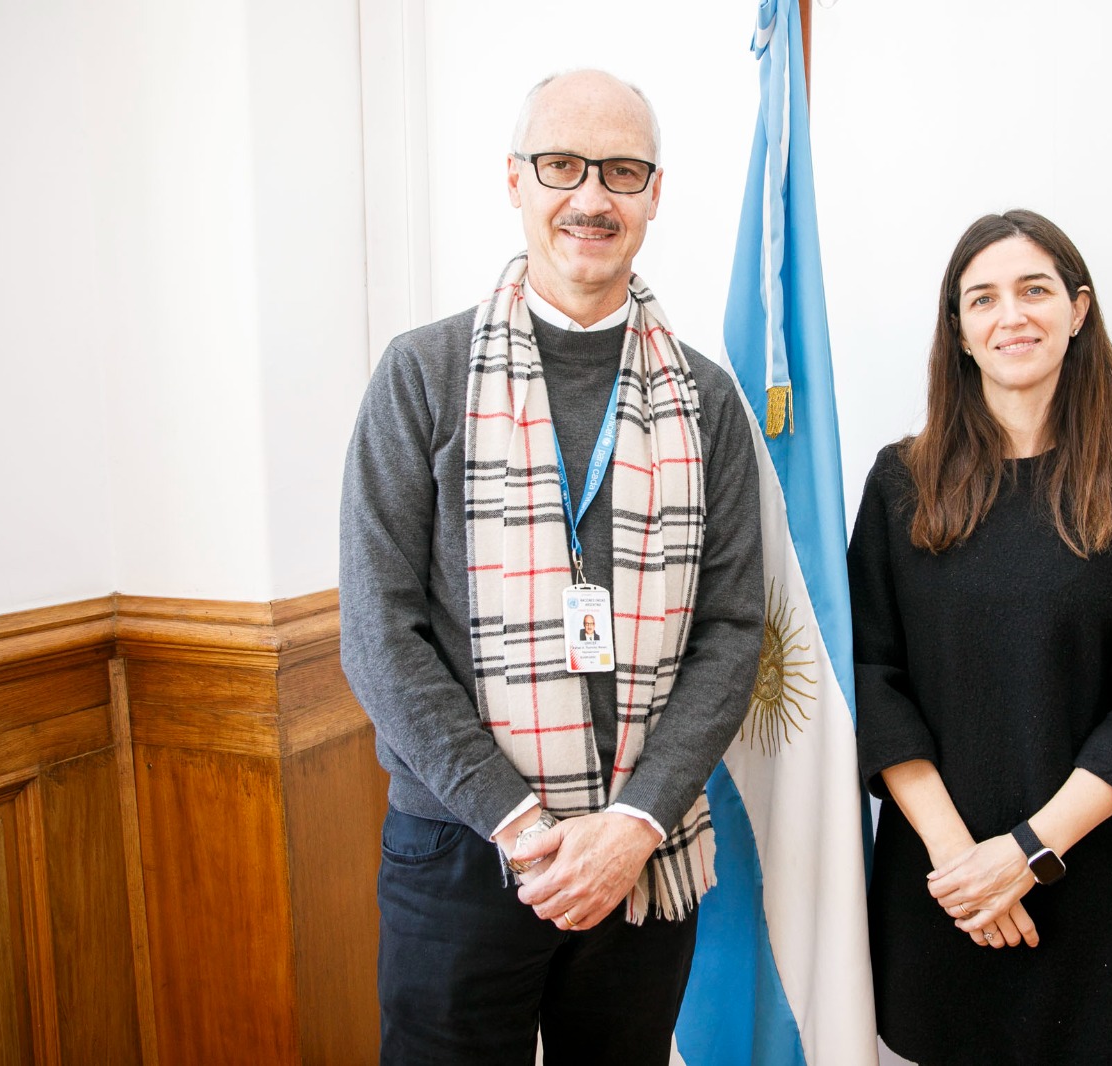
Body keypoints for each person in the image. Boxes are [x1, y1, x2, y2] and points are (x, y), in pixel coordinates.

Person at [339, 69, 763, 1065]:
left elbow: (733, 631)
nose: (590, 197)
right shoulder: (421, 373)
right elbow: (376, 635)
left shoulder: (706, 400)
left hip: (640, 854)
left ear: (654, 193)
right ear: (515, 181)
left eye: (621, 171)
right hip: (458, 848)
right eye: (561, 165)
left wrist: (629, 826)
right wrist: (520, 821)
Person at [848, 209, 1112, 1064]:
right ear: (961, 331)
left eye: (1034, 290)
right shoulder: (903, 483)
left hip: (1093, 899)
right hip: (943, 890)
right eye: (984, 299)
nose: (1012, 315)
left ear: (1078, 311)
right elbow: (868, 674)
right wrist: (965, 865)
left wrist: (1028, 853)